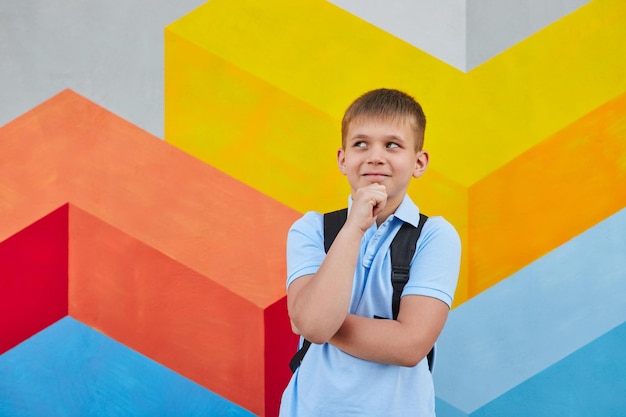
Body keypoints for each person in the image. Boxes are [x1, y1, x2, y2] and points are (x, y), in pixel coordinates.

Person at [279, 88, 461, 416]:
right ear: (342, 159)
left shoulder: (435, 236)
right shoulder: (311, 229)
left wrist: (319, 320)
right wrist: (353, 228)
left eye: (392, 145)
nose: (375, 156)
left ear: (419, 162)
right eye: (361, 143)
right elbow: (313, 325)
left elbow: (410, 346)